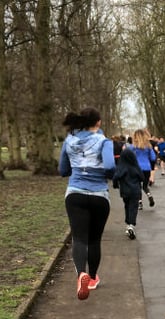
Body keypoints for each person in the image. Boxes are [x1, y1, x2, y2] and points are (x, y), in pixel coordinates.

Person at [58, 107, 115, 300]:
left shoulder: (69, 141)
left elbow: (63, 169)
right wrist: (108, 176)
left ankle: (80, 273)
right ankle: (91, 278)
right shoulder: (103, 141)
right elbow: (109, 167)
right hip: (99, 195)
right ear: (98, 122)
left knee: (79, 237)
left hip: (75, 194)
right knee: (94, 239)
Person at [113, 149, 145, 240]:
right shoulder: (136, 167)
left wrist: (115, 185)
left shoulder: (121, 167)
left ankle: (127, 223)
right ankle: (131, 224)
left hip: (125, 191)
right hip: (135, 190)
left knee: (127, 206)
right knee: (133, 208)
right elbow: (142, 177)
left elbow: (116, 177)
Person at [129, 129, 157, 209]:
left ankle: (140, 203)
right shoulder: (148, 146)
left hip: (136, 168)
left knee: (137, 186)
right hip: (146, 168)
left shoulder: (133, 147)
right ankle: (149, 195)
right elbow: (153, 158)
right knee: (145, 186)